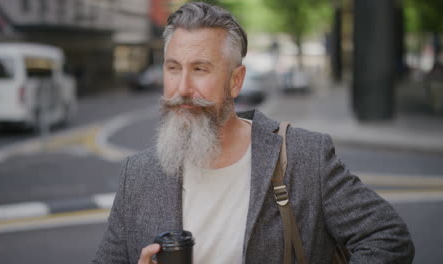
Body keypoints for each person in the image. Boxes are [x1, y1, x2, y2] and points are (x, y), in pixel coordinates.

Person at [93, 2, 414, 264]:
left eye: (200, 69)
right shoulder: (137, 175)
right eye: (173, 68)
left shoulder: (304, 157)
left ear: (236, 80)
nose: (182, 88)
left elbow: (388, 238)